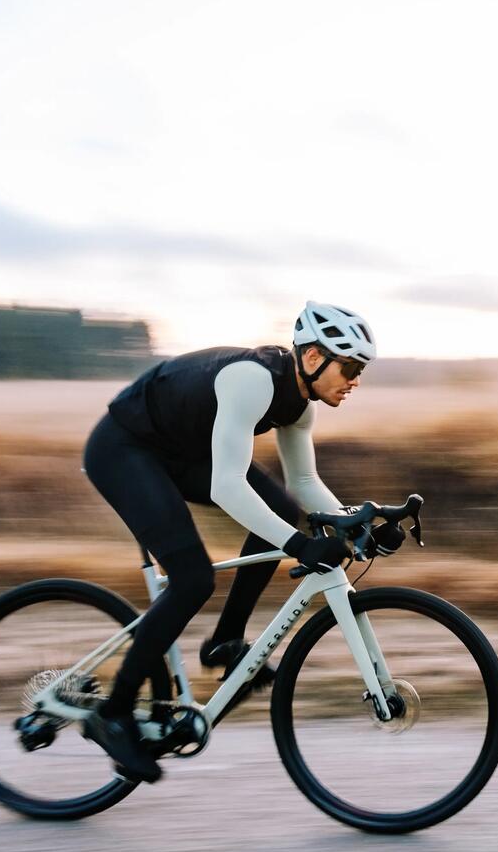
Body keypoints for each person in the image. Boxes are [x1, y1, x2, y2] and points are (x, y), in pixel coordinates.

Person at [77, 300, 377, 782]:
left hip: (178, 454)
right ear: (316, 357)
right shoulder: (253, 378)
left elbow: (303, 483)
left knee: (281, 509)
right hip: (126, 449)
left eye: (361, 369)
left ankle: (224, 642)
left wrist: (355, 520)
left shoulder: (299, 406)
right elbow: (227, 486)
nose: (356, 379)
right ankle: (112, 713)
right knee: (192, 579)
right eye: (351, 366)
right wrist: (300, 546)